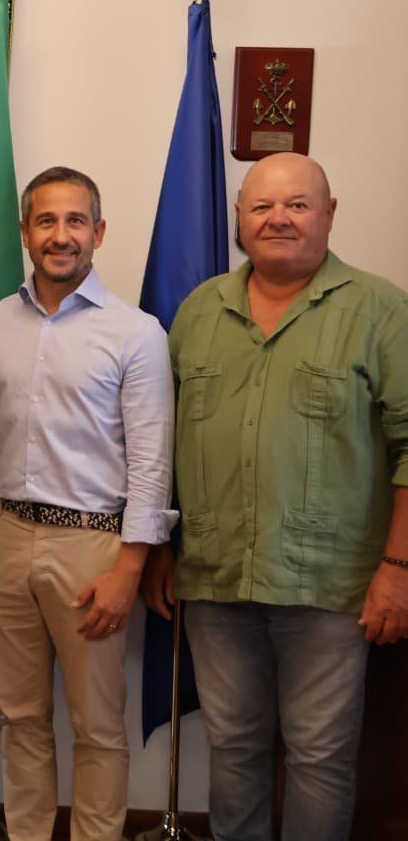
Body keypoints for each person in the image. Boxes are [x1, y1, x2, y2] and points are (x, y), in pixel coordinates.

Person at [144, 152, 408, 841]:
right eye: (261, 206)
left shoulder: (381, 310)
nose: (278, 219)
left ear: (329, 214)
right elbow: (166, 446)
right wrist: (162, 551)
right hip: (216, 579)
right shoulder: (201, 311)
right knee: (233, 751)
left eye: (296, 204)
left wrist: (398, 569)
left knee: (321, 757)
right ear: (239, 218)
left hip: (331, 586)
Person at [0, 167, 174, 841]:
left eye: (76, 221)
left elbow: (152, 462)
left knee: (97, 726)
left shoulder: (137, 333)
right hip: (2, 537)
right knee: (19, 716)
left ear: (98, 232)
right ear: (24, 232)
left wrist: (128, 570)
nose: (60, 235)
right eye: (45, 221)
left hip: (93, 548)